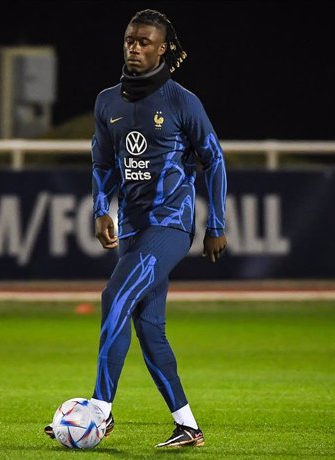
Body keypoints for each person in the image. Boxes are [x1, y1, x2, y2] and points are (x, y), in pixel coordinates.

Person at [45, 8, 227, 448]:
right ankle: (187, 426)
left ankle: (98, 412)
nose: (134, 47)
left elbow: (214, 159)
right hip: (131, 227)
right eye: (130, 40)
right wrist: (99, 209)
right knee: (148, 326)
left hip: (170, 225)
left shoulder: (182, 101)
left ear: (163, 49)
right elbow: (102, 161)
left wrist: (216, 224)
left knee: (114, 296)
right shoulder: (107, 101)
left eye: (145, 42)